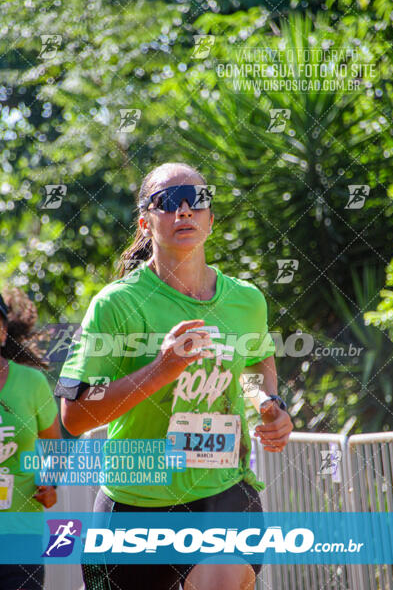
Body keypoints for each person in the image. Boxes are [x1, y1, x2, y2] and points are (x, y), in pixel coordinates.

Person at [56, 162, 293, 590]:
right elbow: (75, 415)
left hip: (223, 493)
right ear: (146, 223)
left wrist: (267, 405)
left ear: (210, 218)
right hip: (134, 507)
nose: (183, 210)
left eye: (196, 199)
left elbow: (257, 363)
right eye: (167, 201)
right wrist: (162, 369)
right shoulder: (116, 305)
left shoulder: (246, 301)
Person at [0, 287, 61, 590]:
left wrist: (50, 483)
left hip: (20, 533)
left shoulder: (31, 383)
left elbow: (53, 446)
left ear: (2, 333)